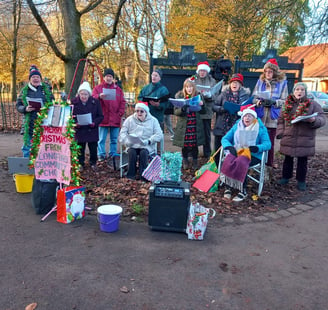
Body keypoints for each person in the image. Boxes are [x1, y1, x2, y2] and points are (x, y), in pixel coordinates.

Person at [276, 82, 326, 191]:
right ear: (293, 91)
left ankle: (301, 181)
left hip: (305, 138)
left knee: (302, 160)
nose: (299, 92)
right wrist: (281, 132)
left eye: (302, 90)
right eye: (297, 89)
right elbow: (280, 120)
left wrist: (314, 120)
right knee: (287, 159)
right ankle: (285, 177)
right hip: (289, 136)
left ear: (305, 92)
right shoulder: (287, 103)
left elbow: (322, 119)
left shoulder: (313, 104)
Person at [221, 105, 271, 202]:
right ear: (242, 117)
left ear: (254, 117)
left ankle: (242, 190)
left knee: (241, 161)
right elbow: (225, 138)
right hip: (238, 151)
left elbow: (267, 144)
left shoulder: (260, 128)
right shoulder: (237, 126)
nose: (247, 118)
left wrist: (257, 148)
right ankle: (228, 186)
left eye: (250, 116)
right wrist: (229, 146)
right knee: (229, 159)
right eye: (245, 116)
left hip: (253, 154)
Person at [252, 58, 288, 170]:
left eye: (270, 71)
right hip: (261, 116)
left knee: (270, 143)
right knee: (258, 141)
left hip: (273, 118)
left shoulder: (282, 84)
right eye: (266, 71)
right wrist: (258, 102)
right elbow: (253, 97)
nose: (268, 73)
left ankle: (269, 164)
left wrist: (274, 102)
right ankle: (258, 162)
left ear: (275, 72)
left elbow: (285, 101)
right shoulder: (260, 82)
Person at [16, 65, 54, 157]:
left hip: (43, 122)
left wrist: (47, 107)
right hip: (29, 123)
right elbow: (18, 105)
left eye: (37, 77)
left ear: (40, 78)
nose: (35, 79)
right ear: (30, 79)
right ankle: (27, 166)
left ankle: (42, 165)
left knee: (43, 146)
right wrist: (25, 109)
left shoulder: (46, 90)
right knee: (27, 146)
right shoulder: (24, 91)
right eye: (33, 77)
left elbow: (53, 103)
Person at [119, 102, 163, 180]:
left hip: (147, 145)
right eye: (137, 111)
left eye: (141, 111)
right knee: (132, 152)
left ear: (146, 112)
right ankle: (130, 175)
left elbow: (159, 135)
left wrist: (149, 141)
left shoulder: (153, 120)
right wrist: (127, 141)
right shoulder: (129, 120)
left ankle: (143, 176)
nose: (139, 113)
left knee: (144, 153)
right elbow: (122, 134)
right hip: (132, 144)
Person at [213, 73, 251, 163]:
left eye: (237, 83)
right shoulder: (223, 94)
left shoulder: (245, 95)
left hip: (236, 125)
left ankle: (231, 165)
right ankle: (217, 166)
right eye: (233, 82)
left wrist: (241, 111)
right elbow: (214, 106)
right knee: (219, 147)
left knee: (233, 149)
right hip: (222, 125)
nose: (234, 84)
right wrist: (223, 109)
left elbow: (248, 109)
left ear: (240, 85)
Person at [92, 68, 126, 162]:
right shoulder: (98, 88)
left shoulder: (118, 90)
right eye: (107, 76)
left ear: (113, 78)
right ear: (104, 77)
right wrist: (99, 96)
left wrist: (120, 113)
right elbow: (92, 98)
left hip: (115, 117)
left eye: (110, 76)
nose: (108, 78)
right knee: (101, 138)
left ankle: (113, 153)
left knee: (114, 139)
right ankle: (101, 154)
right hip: (103, 117)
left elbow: (123, 102)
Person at [173, 78, 205, 170]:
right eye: (187, 87)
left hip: (195, 124)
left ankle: (195, 162)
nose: (189, 89)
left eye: (191, 87)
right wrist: (182, 109)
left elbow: (204, 111)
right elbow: (176, 112)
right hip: (184, 125)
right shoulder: (180, 97)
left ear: (194, 88)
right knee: (185, 145)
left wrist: (202, 105)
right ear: (184, 88)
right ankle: (185, 161)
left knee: (195, 145)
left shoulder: (199, 96)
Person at [72, 81, 104, 170]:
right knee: (80, 148)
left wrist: (94, 122)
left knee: (93, 148)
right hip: (79, 129)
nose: (83, 96)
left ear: (89, 94)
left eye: (86, 94)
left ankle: (93, 162)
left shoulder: (95, 102)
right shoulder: (74, 103)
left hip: (91, 129)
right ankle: (80, 164)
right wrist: (75, 123)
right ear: (79, 94)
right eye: (82, 94)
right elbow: (70, 116)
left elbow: (101, 116)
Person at [192, 61, 218, 159]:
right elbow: (187, 90)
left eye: (204, 71)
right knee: (194, 131)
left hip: (207, 109)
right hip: (196, 109)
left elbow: (216, 94)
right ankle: (193, 153)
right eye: (200, 71)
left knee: (207, 132)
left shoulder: (212, 81)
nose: (202, 73)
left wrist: (209, 96)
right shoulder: (193, 79)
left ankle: (207, 153)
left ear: (207, 71)